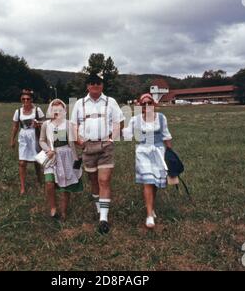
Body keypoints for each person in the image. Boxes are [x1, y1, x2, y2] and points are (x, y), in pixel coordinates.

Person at [70, 73, 125, 234]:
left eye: (98, 83)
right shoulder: (80, 103)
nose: (95, 85)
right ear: (87, 86)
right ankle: (99, 208)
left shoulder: (110, 102)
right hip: (87, 147)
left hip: (105, 147)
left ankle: (103, 219)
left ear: (102, 85)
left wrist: (111, 138)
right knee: (94, 181)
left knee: (104, 180)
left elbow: (120, 122)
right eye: (92, 83)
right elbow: (74, 124)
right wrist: (78, 140)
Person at [123, 94, 173, 229]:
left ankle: (151, 206)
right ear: (140, 106)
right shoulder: (135, 120)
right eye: (144, 104)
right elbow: (127, 135)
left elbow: (166, 135)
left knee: (155, 181)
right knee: (148, 181)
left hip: (158, 151)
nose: (147, 106)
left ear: (154, 104)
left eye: (149, 103)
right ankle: (149, 215)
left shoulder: (161, 118)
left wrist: (171, 155)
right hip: (143, 151)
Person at [39, 99, 83, 220]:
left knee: (66, 186)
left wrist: (87, 143)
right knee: (49, 183)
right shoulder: (46, 124)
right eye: (54, 110)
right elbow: (41, 140)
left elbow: (76, 140)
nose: (57, 112)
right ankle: (53, 208)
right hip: (51, 156)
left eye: (60, 109)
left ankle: (63, 211)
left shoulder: (68, 124)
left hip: (67, 156)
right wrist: (47, 149)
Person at [10, 90, 45, 195]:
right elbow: (15, 126)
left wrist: (38, 124)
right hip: (24, 136)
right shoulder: (18, 111)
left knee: (37, 160)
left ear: (31, 99)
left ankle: (40, 179)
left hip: (35, 135)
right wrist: (12, 140)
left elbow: (45, 124)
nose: (25, 101)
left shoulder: (37, 110)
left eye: (28, 99)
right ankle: (22, 187)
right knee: (22, 162)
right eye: (23, 99)